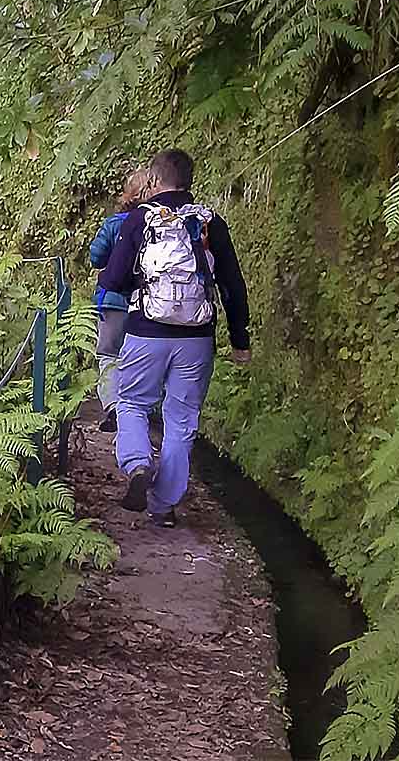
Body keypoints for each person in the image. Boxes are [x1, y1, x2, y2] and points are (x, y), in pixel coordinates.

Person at [96, 149, 251, 527]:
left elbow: (112, 279)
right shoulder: (209, 223)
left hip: (146, 332)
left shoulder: (138, 220)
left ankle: (136, 464)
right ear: (190, 180)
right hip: (197, 338)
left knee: (132, 402)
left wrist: (138, 284)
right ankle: (163, 505)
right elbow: (232, 283)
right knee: (181, 421)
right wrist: (239, 338)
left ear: (154, 179)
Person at [89, 167, 154, 433]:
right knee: (140, 356)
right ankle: (140, 411)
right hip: (148, 302)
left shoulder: (115, 223)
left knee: (108, 354)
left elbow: (96, 257)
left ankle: (114, 406)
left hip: (113, 301)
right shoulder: (158, 223)